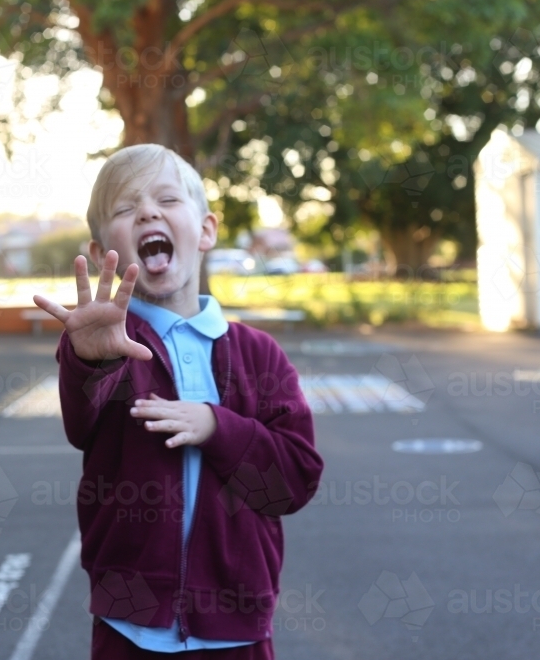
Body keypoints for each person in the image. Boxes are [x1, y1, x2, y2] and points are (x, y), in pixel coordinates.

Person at [33, 144, 323, 659]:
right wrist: (90, 359)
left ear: (206, 231)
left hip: (237, 622)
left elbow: (293, 482)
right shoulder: (107, 346)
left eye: (167, 198)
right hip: (129, 624)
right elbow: (82, 421)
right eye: (126, 209)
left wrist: (217, 427)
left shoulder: (259, 355)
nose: (147, 211)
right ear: (103, 255)